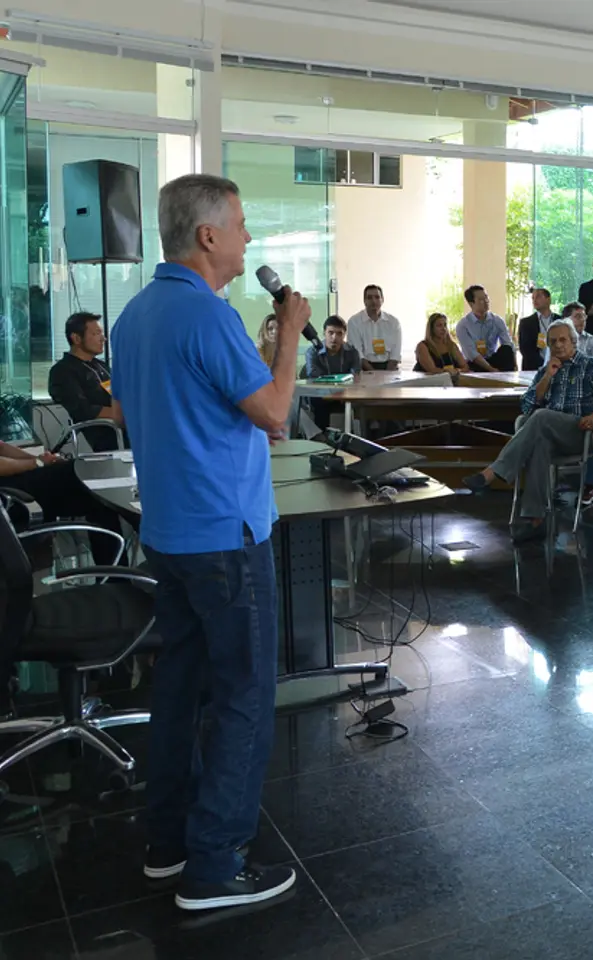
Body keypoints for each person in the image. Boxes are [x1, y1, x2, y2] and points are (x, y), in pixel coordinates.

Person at [112, 173, 308, 910]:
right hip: (226, 536)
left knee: (179, 685)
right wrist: (288, 337)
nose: (248, 237)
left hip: (168, 532)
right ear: (207, 235)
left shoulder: (135, 315)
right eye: (242, 224)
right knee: (243, 695)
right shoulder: (208, 315)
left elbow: (149, 413)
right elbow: (276, 413)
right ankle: (216, 863)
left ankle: (168, 843)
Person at [463, 320, 593, 543]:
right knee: (538, 441)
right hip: (550, 433)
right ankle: (536, 521)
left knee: (542, 416)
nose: (558, 345)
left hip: (582, 433)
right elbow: (526, 405)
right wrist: (547, 378)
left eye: (563, 340)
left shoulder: (592, 366)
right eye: (553, 342)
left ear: (573, 341)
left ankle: (493, 472)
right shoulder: (546, 370)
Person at [47, 311, 124, 452]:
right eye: (96, 333)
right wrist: (126, 413)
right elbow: (83, 409)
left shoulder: (101, 366)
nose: (103, 339)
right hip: (109, 434)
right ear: (76, 338)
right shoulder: (63, 371)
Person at [303, 315, 362, 427]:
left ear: (344, 335)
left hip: (345, 394)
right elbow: (314, 375)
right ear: (324, 333)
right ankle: (322, 435)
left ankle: (355, 435)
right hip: (321, 394)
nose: (334, 337)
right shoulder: (312, 352)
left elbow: (355, 375)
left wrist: (341, 391)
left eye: (339, 333)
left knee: (360, 402)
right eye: (331, 333)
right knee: (319, 401)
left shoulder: (352, 352)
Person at [456, 284, 516, 372]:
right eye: (481, 300)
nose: (486, 301)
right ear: (471, 303)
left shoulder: (497, 320)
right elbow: (471, 354)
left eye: (486, 298)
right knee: (473, 364)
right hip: (475, 363)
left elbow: (508, 343)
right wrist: (492, 370)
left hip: (492, 359)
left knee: (506, 349)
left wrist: (515, 365)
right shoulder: (463, 325)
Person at [347, 284, 401, 371]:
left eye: (377, 297)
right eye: (369, 298)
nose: (374, 301)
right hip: (364, 367)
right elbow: (358, 354)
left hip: (389, 368)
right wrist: (374, 374)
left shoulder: (393, 322)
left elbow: (395, 354)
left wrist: (386, 374)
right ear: (364, 301)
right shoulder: (354, 322)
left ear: (382, 300)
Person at [517, 287, 559, 372]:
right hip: (533, 368)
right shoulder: (526, 323)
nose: (534, 300)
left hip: (557, 366)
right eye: (533, 298)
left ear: (548, 300)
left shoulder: (560, 320)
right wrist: (544, 365)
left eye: (538, 297)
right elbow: (525, 349)